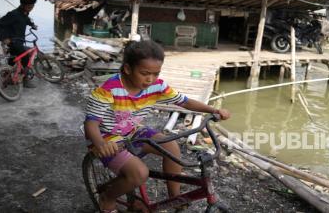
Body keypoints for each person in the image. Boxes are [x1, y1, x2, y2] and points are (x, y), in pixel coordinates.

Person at [84, 40, 231, 213]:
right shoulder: (108, 90)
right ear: (127, 69)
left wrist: (213, 110)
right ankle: (107, 197)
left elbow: (185, 102)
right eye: (145, 73)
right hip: (108, 139)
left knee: (171, 147)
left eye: (156, 73)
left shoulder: (157, 86)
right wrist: (101, 144)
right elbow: (91, 123)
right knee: (140, 174)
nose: (150, 79)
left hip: (133, 131)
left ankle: (175, 198)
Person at [0, 0, 38, 88]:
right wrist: (4, 38)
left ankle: (6, 75)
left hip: (19, 40)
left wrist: (32, 24)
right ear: (23, 5)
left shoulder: (24, 13)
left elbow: (26, 19)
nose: (31, 8)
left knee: (13, 59)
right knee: (25, 57)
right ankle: (25, 79)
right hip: (13, 41)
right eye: (30, 7)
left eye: (32, 6)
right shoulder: (13, 14)